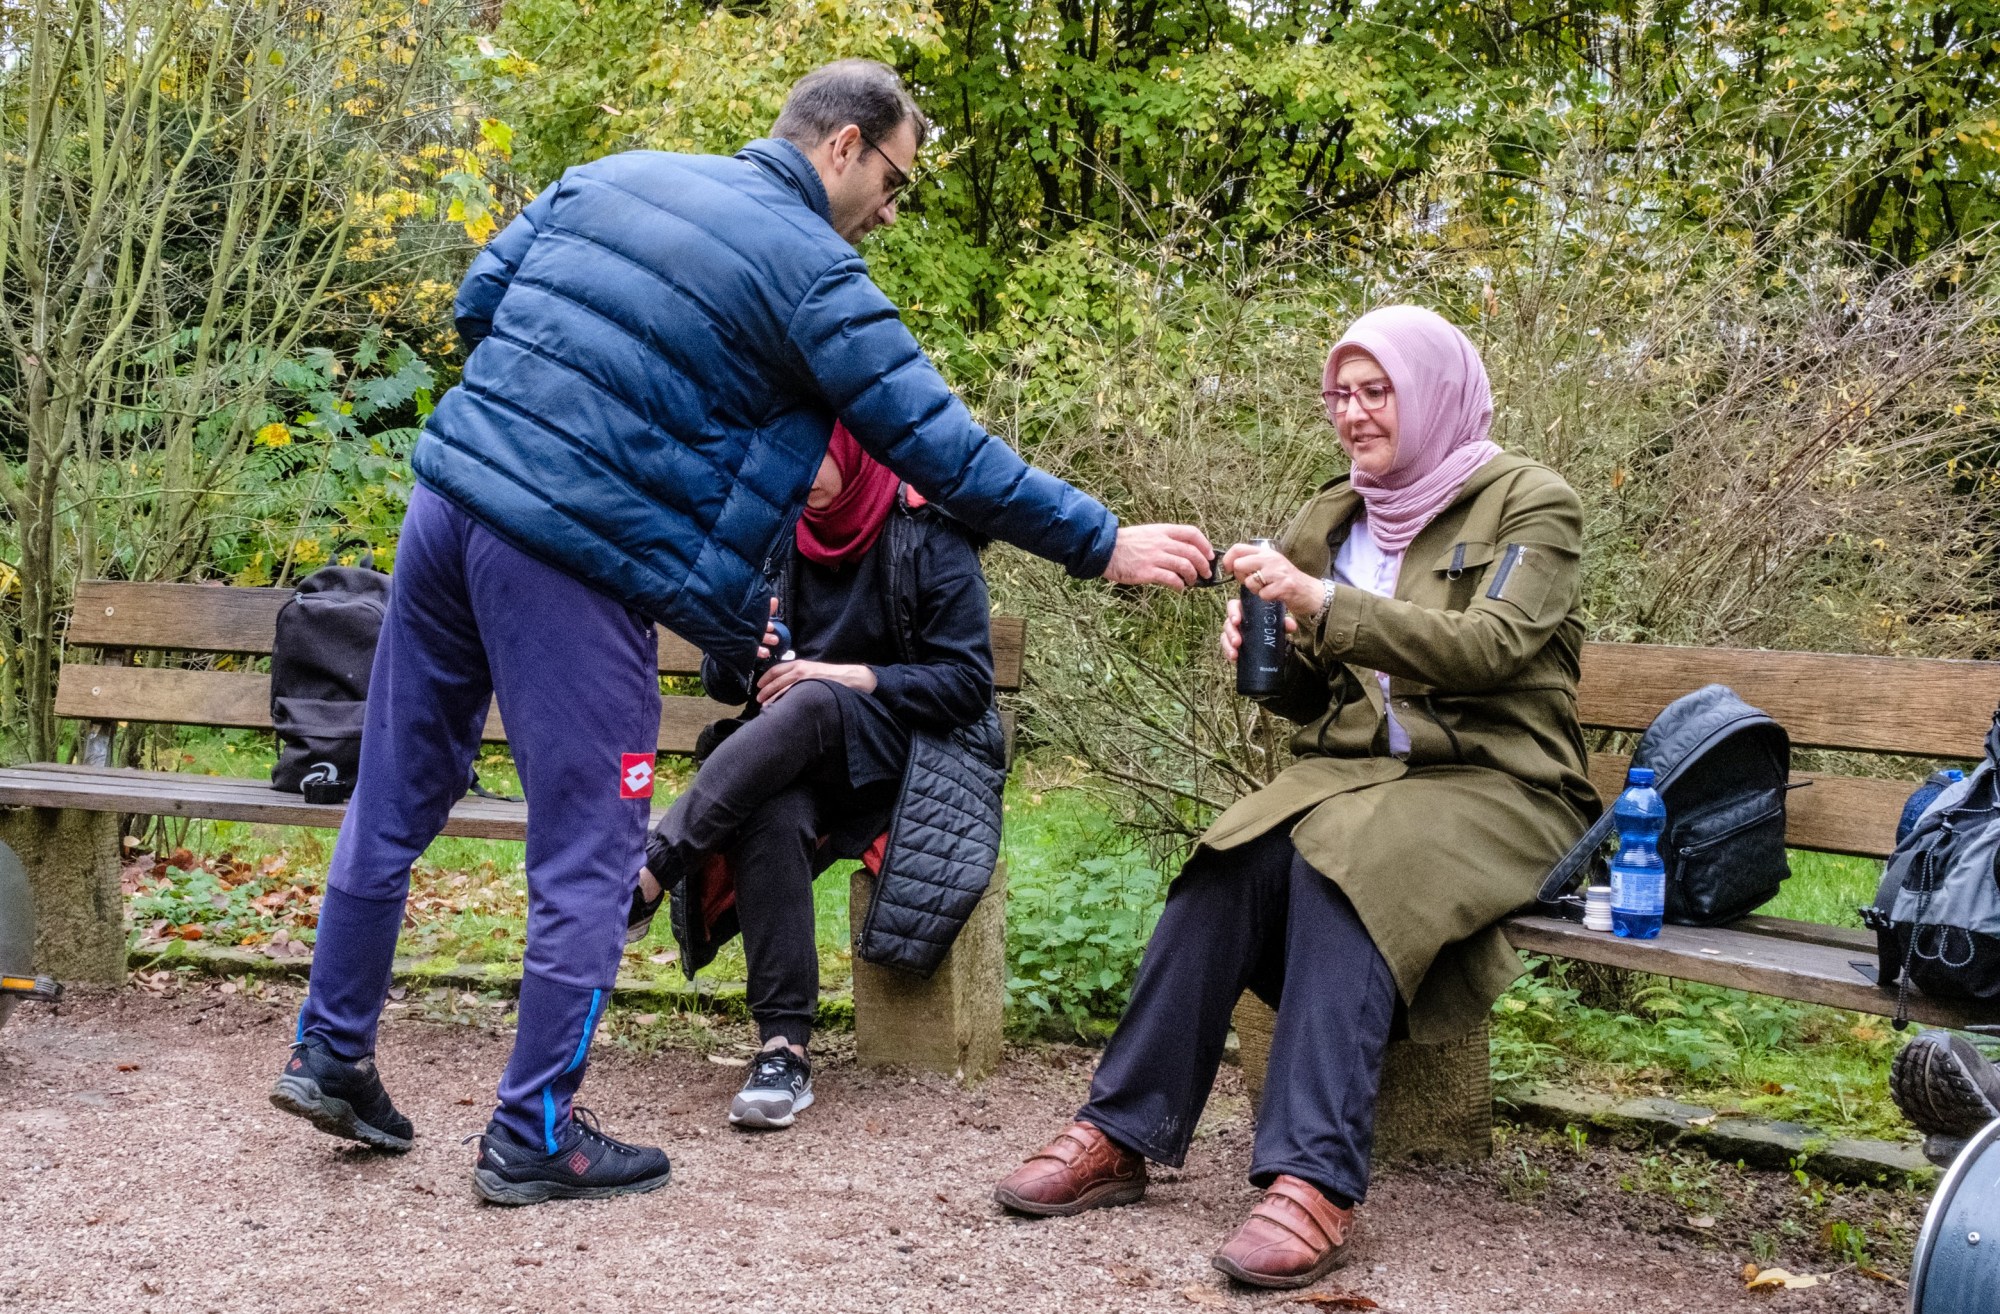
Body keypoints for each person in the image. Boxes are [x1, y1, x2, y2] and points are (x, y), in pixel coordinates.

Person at [270, 58, 1213, 1207]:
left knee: (392, 796)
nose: (890, 212)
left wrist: (552, 416)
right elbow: (943, 449)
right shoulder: (812, 272)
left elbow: (481, 301)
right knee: (593, 850)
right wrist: (1101, 540)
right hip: (568, 561)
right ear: (844, 144)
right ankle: (534, 1132)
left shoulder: (611, 175)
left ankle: (331, 1051)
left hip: (447, 506)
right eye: (895, 182)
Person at [992, 305, 1596, 1288]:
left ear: (1433, 392)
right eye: (1340, 395)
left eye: (1377, 391)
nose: (1353, 413)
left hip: (1501, 785)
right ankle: (1119, 1130)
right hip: (1360, 778)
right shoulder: (1334, 512)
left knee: (1344, 864)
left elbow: (1493, 650)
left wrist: (1323, 604)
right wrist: (1272, 659)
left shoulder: (1532, 504)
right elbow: (1316, 699)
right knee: (1226, 858)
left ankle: (1313, 1179)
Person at [624, 424, 994, 1130]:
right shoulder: (778, 529)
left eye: (808, 456)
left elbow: (967, 685)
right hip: (794, 756)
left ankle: (650, 871)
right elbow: (724, 680)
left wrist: (847, 676)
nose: (794, 474)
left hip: (905, 757)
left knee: (815, 699)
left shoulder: (928, 529)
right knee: (771, 811)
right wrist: (738, 643)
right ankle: (783, 1049)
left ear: (852, 449)